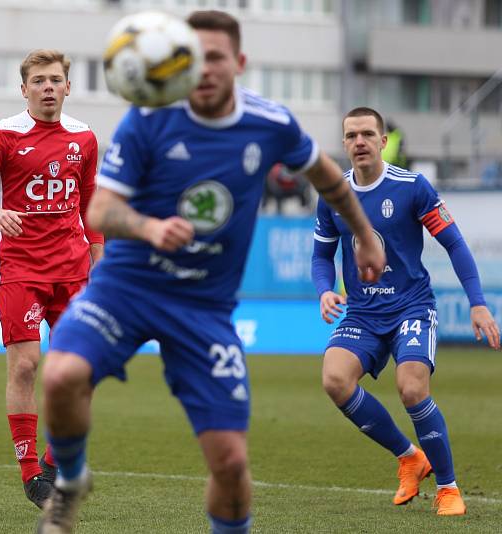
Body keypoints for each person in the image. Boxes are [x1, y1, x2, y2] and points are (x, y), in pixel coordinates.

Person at [36, 11, 385, 534]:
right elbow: (100, 212)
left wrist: (362, 234)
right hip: (126, 288)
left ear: (239, 63)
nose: (203, 69)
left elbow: (327, 177)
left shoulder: (270, 123)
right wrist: (150, 228)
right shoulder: (150, 116)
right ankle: (70, 481)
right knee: (61, 375)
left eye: (216, 57)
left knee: (231, 464)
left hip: (203, 308)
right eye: (192, 57)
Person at [312, 106, 500, 516]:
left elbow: (455, 244)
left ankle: (448, 488)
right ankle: (409, 457)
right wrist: (325, 290)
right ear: (344, 144)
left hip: (411, 307)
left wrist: (478, 304)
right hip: (363, 313)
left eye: (366, 134)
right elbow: (321, 257)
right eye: (350, 136)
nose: (358, 142)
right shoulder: (333, 195)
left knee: (412, 388)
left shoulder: (411, 186)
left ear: (383, 141)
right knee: (334, 379)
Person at [0, 49, 104, 509]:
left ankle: (56, 458)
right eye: (37, 80)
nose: (47, 87)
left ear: (67, 87)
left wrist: (98, 249)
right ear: (24, 90)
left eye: (54, 80)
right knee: (25, 365)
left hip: (73, 265)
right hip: (20, 266)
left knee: (78, 371)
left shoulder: (84, 137)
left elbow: (89, 198)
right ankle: (31, 475)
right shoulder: (3, 134)